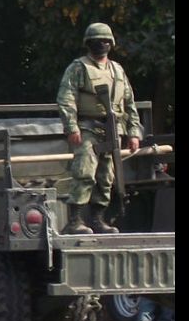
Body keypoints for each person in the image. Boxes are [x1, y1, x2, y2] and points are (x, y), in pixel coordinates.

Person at [57, 22, 143, 235]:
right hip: (88, 127)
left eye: (105, 41)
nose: (101, 44)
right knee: (84, 172)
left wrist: (134, 133)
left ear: (111, 44)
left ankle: (97, 219)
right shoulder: (79, 67)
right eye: (97, 41)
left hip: (113, 129)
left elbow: (129, 102)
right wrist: (72, 127)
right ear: (88, 44)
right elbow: (66, 98)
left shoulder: (117, 70)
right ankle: (75, 220)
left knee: (106, 177)